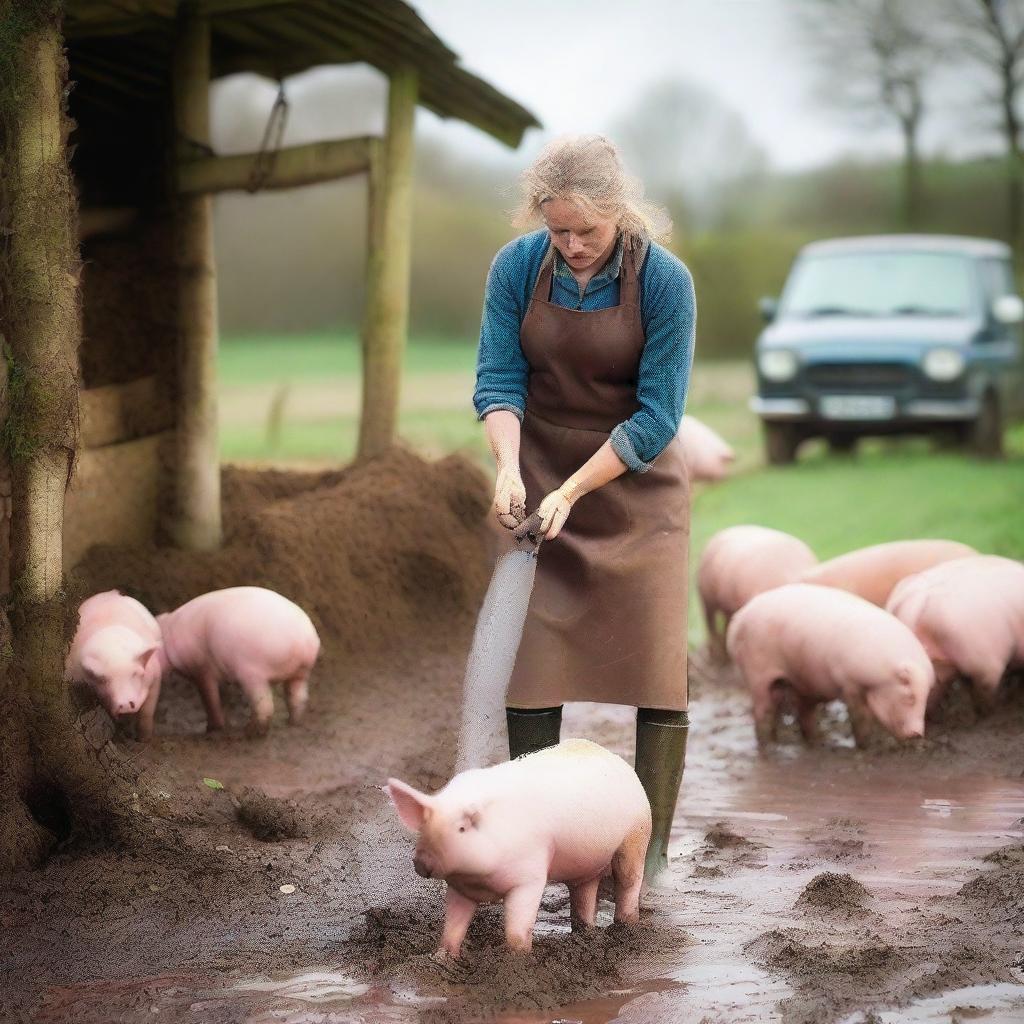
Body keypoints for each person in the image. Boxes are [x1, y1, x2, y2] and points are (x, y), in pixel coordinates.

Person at [473, 135, 696, 881]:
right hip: (537, 476)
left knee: (657, 664)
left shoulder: (665, 281)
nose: (569, 245)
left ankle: (651, 850)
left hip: (635, 481)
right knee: (531, 663)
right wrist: (510, 469)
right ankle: (545, 833)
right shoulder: (515, 267)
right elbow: (498, 378)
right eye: (556, 229)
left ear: (620, 214)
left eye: (586, 232)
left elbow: (660, 414)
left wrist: (574, 488)